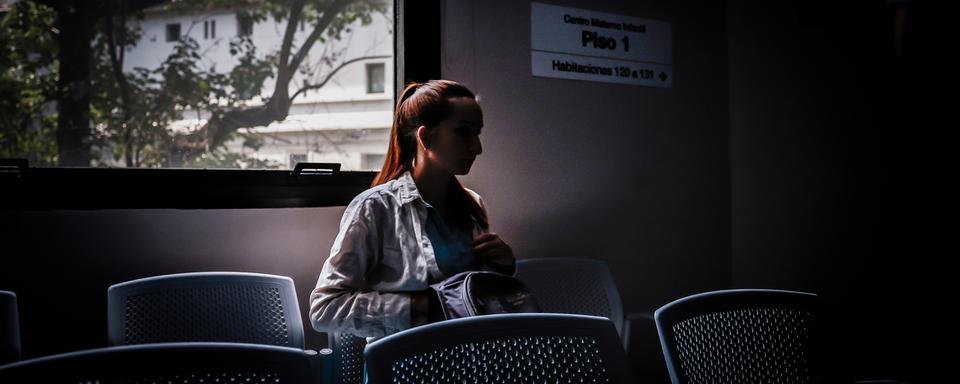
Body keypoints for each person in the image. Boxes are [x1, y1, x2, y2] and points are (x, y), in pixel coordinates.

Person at [309, 79, 516, 339]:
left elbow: (472, 297)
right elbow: (325, 309)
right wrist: (417, 308)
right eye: (464, 132)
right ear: (426, 137)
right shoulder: (375, 208)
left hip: (470, 361)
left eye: (478, 133)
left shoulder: (472, 204)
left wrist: (503, 266)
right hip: (404, 365)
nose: (477, 147)